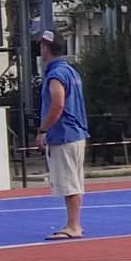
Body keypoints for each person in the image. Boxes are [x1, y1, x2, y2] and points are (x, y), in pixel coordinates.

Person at [35, 30, 88, 239]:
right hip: (76, 131)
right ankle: (74, 223)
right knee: (74, 179)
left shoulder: (55, 75)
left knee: (68, 181)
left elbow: (57, 104)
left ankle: (73, 225)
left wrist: (43, 130)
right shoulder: (71, 71)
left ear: (45, 48)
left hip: (64, 133)